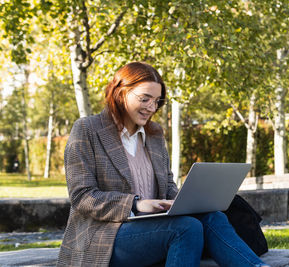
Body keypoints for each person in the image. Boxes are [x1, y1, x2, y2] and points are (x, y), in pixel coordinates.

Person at [57, 62, 270, 267]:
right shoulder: (87, 129)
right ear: (121, 92)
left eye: (157, 101)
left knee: (211, 216)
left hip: (154, 226)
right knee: (186, 228)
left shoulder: (155, 133)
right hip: (104, 236)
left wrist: (185, 202)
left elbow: (167, 185)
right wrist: (135, 204)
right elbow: (82, 196)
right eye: (145, 98)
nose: (152, 107)